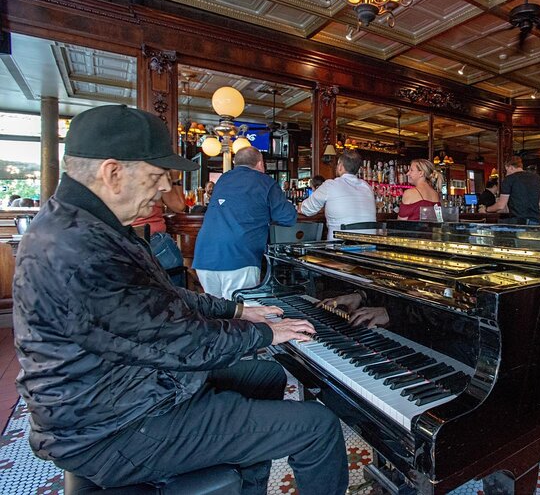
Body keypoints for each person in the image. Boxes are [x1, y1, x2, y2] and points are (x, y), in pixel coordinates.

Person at [12, 105, 347, 495]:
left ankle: (245, 485)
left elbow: (164, 300)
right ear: (112, 172)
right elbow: (180, 341)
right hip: (110, 427)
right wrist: (263, 334)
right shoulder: (81, 250)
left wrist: (237, 309)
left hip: (122, 389)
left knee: (268, 375)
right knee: (317, 427)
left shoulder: (87, 224)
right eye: (156, 177)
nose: (163, 189)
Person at [194, 146, 296, 298]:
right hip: (239, 258)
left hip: (204, 257)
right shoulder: (265, 182)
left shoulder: (223, 179)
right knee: (241, 313)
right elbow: (288, 218)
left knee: (215, 312)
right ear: (260, 164)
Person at [299, 151, 375, 239]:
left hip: (339, 249)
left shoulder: (330, 185)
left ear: (340, 167)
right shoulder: (367, 187)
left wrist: (300, 207)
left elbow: (307, 209)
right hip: (368, 248)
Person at [131, 171, 186, 286]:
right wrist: (175, 179)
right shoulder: (155, 171)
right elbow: (179, 206)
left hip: (125, 244)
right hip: (153, 241)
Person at [481, 156, 540, 225]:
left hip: (518, 222)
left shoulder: (509, 179)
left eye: (507, 170)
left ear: (511, 167)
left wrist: (486, 209)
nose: (507, 174)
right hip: (535, 220)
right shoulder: (537, 178)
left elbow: (501, 205)